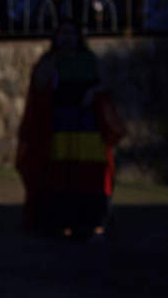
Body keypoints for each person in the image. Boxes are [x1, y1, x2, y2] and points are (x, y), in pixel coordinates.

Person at [14, 20, 124, 239]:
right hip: (59, 126)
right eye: (62, 34)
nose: (66, 38)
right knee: (60, 174)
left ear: (78, 37)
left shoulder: (90, 59)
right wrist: (52, 61)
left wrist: (94, 92)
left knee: (88, 174)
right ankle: (59, 221)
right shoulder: (49, 61)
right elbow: (39, 84)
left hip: (87, 127)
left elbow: (107, 83)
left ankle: (90, 221)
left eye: (71, 34)